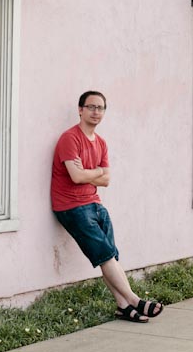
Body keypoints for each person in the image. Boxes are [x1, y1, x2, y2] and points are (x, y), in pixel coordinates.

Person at [50, 90, 163, 323]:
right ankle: (134, 300)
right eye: (91, 107)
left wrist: (91, 174)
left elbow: (106, 180)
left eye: (100, 108)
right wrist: (96, 173)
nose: (96, 112)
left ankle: (122, 306)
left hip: (95, 204)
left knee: (110, 255)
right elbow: (76, 176)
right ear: (80, 110)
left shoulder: (101, 143)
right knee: (106, 254)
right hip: (71, 206)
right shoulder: (69, 138)